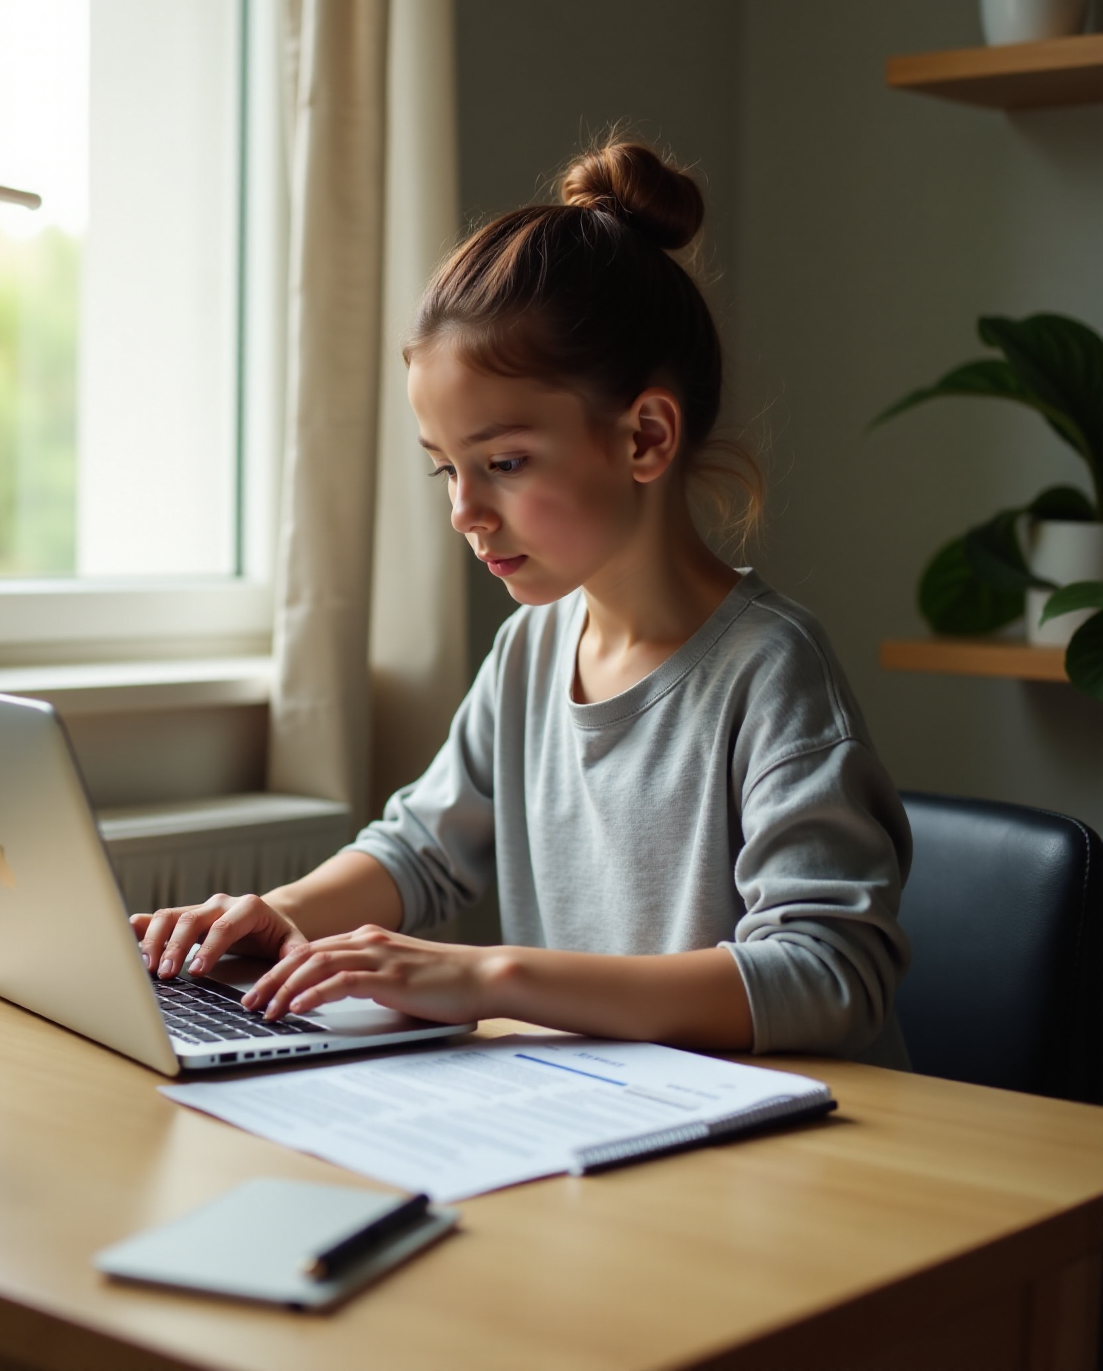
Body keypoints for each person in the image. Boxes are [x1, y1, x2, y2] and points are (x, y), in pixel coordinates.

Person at [132, 138, 911, 1066]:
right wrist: (280, 913)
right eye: (446, 470)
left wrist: (490, 977)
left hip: (784, 1157)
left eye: (503, 464)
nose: (464, 512)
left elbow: (827, 977)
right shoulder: (531, 648)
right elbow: (423, 848)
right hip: (604, 1119)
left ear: (645, 437)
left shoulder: (771, 670)